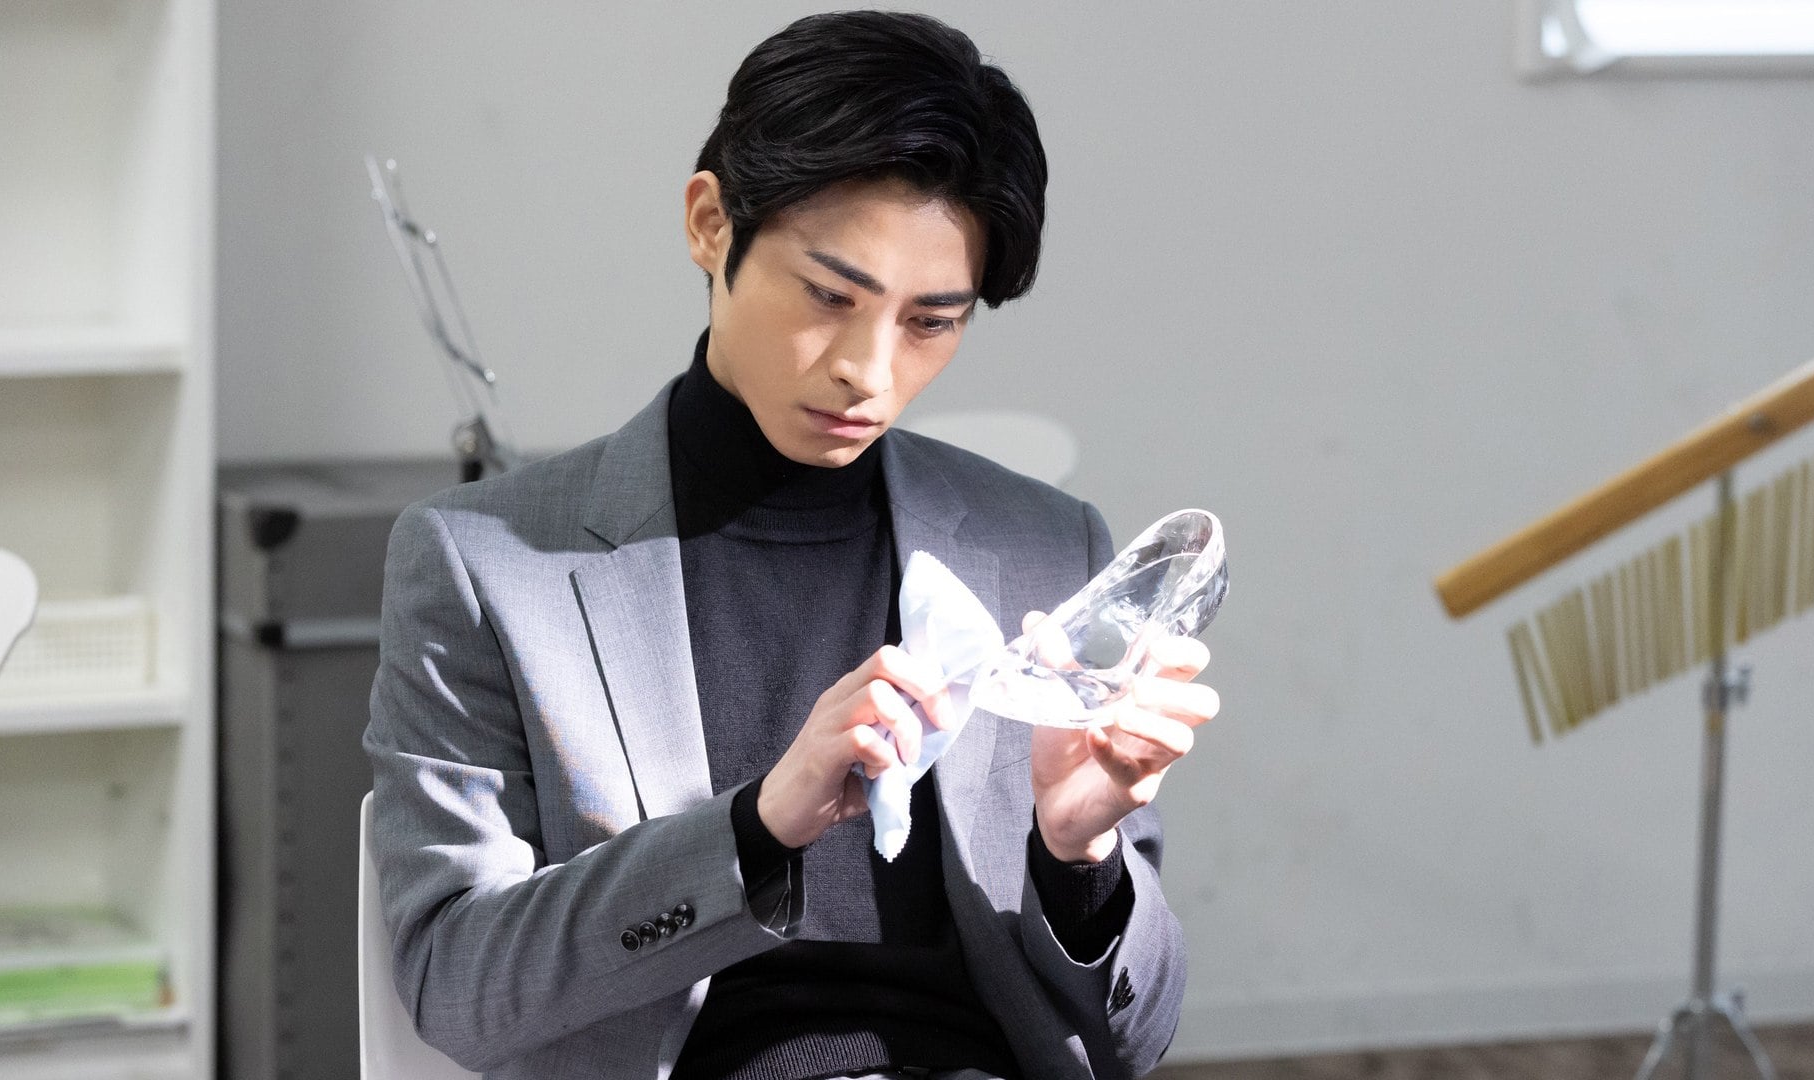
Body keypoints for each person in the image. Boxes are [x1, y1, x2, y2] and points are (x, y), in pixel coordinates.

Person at [364, 12, 1219, 1080]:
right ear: (709, 223)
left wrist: (1080, 854)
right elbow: (456, 986)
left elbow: (1130, 1042)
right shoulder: (489, 566)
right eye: (829, 296)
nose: (869, 370)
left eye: (931, 322)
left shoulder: (1043, 548)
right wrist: (756, 832)